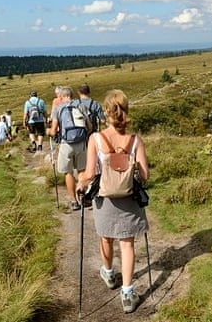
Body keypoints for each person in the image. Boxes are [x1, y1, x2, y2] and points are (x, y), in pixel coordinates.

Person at [77, 89, 149, 314]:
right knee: (127, 245)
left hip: (104, 198)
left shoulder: (96, 139)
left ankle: (108, 273)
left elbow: (89, 173)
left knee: (105, 238)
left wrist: (81, 182)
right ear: (126, 111)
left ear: (106, 112)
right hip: (129, 199)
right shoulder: (135, 140)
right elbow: (145, 176)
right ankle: (127, 294)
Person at [49, 86, 90, 210]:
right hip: (81, 142)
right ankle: (83, 195)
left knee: (68, 172)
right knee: (82, 170)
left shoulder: (58, 108)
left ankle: (73, 201)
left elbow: (53, 130)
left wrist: (49, 132)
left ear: (62, 96)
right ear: (72, 95)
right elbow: (90, 125)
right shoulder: (80, 106)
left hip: (66, 143)